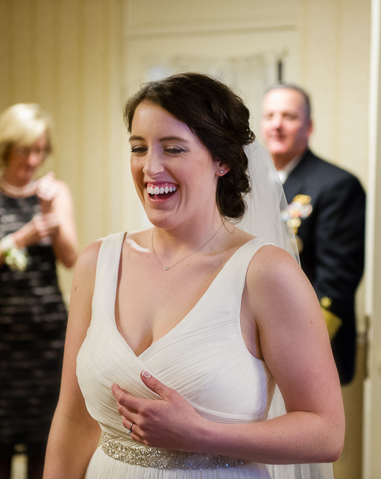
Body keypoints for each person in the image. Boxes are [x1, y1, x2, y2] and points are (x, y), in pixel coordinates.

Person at [43, 73, 344, 479]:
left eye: (173, 149)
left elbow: (326, 433)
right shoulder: (97, 263)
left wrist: (203, 434)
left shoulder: (265, 273)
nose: (150, 167)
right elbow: (74, 419)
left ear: (222, 161)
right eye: (138, 148)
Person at [0, 103, 78, 479]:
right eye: (24, 149)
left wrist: (49, 217)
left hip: (48, 341)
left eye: (39, 149)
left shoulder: (55, 192)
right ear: (5, 148)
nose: (32, 159)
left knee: (46, 448)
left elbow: (71, 258)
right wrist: (20, 238)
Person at [261, 85, 366, 386]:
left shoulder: (336, 185)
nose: (277, 124)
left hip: (309, 349)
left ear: (308, 127)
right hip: (256, 346)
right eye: (270, 116)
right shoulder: (248, 186)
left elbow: (337, 278)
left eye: (289, 116)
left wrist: (296, 345)